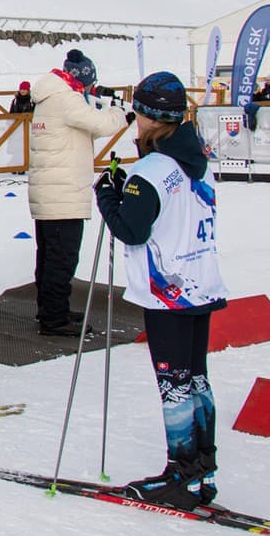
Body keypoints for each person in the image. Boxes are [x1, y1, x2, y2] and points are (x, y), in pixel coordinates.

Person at [94, 71, 227, 509]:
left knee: (174, 382)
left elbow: (131, 230)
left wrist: (108, 197)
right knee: (194, 377)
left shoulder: (152, 169)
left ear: (149, 115)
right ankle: (200, 466)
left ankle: (182, 472)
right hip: (198, 281)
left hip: (169, 289)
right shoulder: (195, 156)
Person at [28, 48, 127, 335]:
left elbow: (85, 129)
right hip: (64, 192)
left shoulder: (53, 95)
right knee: (62, 258)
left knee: (49, 256)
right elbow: (100, 123)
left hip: (52, 191)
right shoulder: (66, 98)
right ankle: (53, 318)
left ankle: (51, 309)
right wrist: (119, 112)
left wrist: (106, 112)